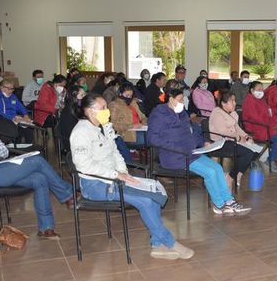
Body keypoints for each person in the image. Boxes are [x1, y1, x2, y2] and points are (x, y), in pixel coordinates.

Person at [70, 94, 194, 260]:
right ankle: (169, 242)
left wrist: (124, 173)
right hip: (96, 185)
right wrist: (116, 174)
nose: (107, 111)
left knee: (154, 191)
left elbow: (115, 152)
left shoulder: (104, 126)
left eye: (106, 107)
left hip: (115, 179)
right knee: (146, 201)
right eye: (103, 108)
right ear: (90, 111)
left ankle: (157, 245)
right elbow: (84, 165)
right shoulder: (80, 132)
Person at [0, 91, 73, 239]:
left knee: (40, 179)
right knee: (37, 160)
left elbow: (3, 149)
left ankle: (46, 228)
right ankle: (68, 195)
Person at [147, 88, 251, 216]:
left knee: (217, 168)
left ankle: (229, 200)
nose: (182, 103)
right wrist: (178, 148)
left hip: (191, 153)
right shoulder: (159, 114)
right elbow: (152, 138)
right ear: (170, 99)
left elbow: (193, 132)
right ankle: (219, 205)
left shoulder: (182, 114)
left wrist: (204, 143)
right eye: (179, 100)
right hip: (174, 156)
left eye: (183, 100)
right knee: (210, 172)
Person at [209, 91, 257, 189]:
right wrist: (238, 138)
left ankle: (238, 175)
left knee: (255, 152)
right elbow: (222, 131)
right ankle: (230, 177)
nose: (235, 103)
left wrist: (246, 136)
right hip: (221, 142)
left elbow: (237, 128)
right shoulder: (217, 112)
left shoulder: (233, 113)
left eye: (234, 100)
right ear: (223, 103)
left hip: (232, 140)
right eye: (232, 101)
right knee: (247, 153)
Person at [242, 81, 277, 172]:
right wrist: (272, 122)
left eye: (262, 89)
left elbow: (269, 113)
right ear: (252, 90)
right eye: (258, 89)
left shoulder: (261, 100)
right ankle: (271, 160)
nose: (261, 91)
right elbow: (256, 118)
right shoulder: (249, 101)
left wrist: (272, 120)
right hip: (255, 127)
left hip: (265, 125)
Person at [58, 85, 86, 151]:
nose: (85, 97)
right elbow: (72, 133)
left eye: (85, 94)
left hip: (79, 139)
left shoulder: (76, 108)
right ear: (73, 97)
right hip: (73, 144)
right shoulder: (68, 112)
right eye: (82, 95)